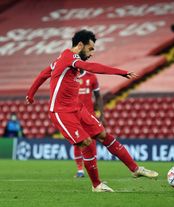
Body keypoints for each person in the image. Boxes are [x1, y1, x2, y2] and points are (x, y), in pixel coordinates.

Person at [26, 29, 158, 192]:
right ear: (80, 45)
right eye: (90, 49)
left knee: (104, 135)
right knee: (87, 143)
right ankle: (97, 185)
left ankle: (135, 169)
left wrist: (31, 95)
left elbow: (43, 74)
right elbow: (91, 66)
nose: (91, 53)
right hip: (61, 112)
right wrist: (121, 72)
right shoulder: (70, 57)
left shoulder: (61, 60)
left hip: (78, 108)